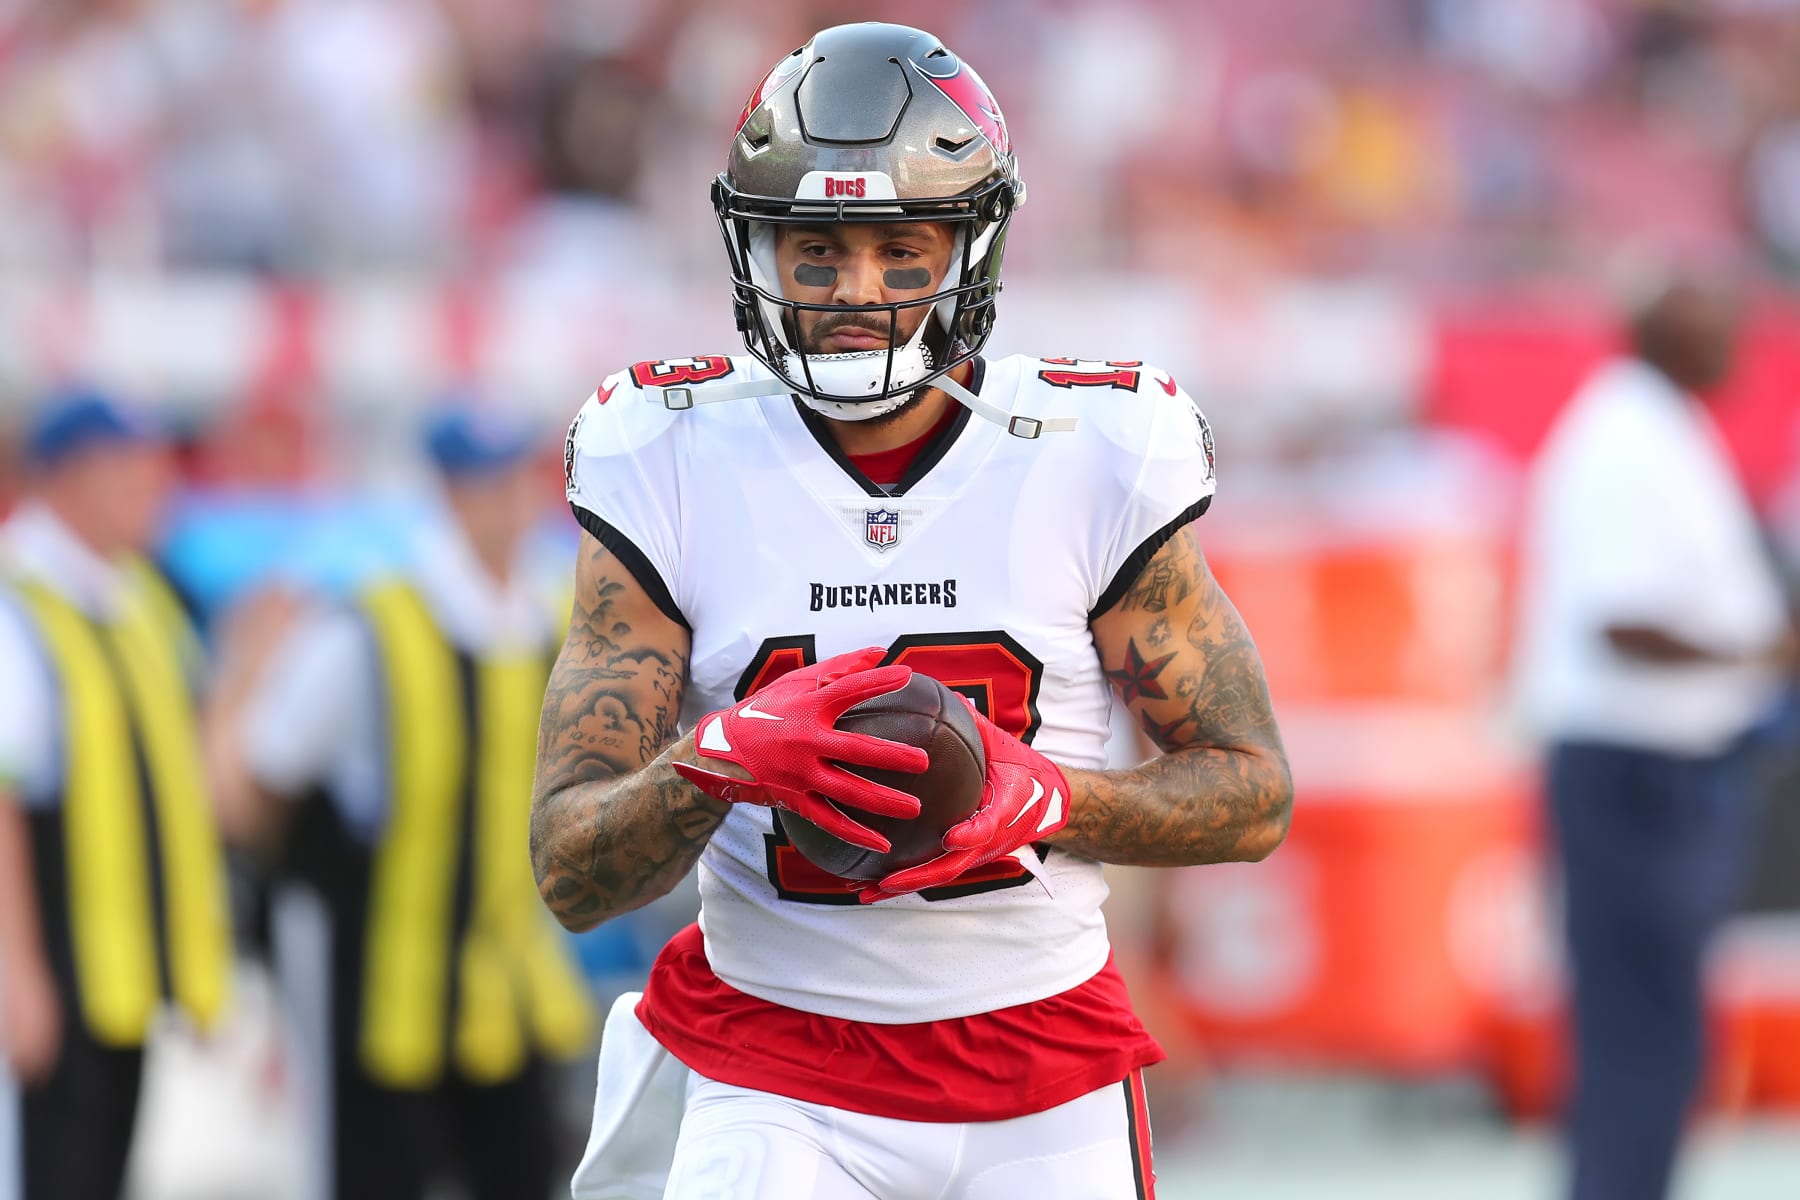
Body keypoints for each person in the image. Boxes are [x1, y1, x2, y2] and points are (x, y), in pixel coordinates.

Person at [533, 23, 1293, 1199]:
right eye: (816, 253)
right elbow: (571, 870)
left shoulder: (1090, 451)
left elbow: (1251, 794)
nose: (858, 292)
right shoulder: (668, 453)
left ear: (970, 250)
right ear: (759, 252)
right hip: (775, 1056)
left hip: (1041, 1052)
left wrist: (1051, 798)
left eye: (902, 249)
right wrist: (712, 764)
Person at [214, 404, 593, 1200]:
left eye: (515, 482)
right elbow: (261, 781)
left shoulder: (556, 615)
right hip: (383, 987)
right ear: (451, 494)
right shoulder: (371, 628)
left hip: (510, 983)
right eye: (485, 485)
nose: (509, 504)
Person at [1513, 272, 1793, 1200]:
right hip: (1633, 768)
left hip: (1659, 766)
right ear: (1658, 334)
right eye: (1713, 324)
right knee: (1642, 1027)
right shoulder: (1627, 437)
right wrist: (1767, 647)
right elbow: (1622, 619)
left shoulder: (1657, 425)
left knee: (1656, 1028)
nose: (1733, 345)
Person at [0, 389, 233, 1200]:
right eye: (129, 468)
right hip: (51, 971)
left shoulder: (137, 598)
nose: (154, 484)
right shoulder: (18, 602)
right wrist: (16, 972)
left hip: (122, 975)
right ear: (66, 477)